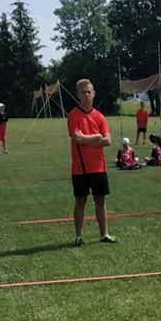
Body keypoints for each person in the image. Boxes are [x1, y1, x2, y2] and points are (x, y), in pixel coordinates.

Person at [67, 79, 117, 245]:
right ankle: (79, 236)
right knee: (80, 201)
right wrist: (96, 137)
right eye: (83, 92)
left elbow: (108, 140)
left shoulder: (100, 117)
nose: (86, 95)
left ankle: (104, 235)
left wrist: (86, 140)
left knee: (100, 200)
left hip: (99, 167)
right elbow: (76, 138)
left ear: (94, 93)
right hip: (80, 168)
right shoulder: (73, 115)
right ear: (78, 95)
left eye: (89, 92)